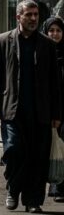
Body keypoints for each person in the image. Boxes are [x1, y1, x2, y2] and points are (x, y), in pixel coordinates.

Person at [0, 0, 61, 213]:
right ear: (18, 17)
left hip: (41, 113)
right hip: (13, 111)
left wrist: (57, 113)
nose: (33, 19)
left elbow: (54, 83)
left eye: (36, 15)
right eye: (29, 14)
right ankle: (13, 189)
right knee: (14, 152)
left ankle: (33, 201)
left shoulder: (47, 44)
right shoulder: (4, 40)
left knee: (38, 159)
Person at [44, 17, 64, 203]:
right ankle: (54, 185)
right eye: (51, 31)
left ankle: (59, 187)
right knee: (51, 148)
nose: (54, 34)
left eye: (58, 30)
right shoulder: (41, 53)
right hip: (48, 109)